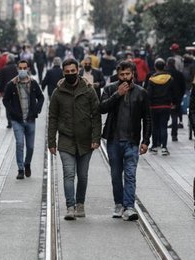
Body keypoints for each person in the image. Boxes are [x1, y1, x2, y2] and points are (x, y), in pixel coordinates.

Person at [48, 58, 101, 220]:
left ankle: (80, 204)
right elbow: (53, 118)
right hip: (66, 140)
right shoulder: (57, 93)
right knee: (69, 174)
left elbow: (96, 115)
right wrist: (51, 142)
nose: (70, 74)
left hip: (85, 140)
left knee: (83, 175)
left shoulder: (88, 90)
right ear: (63, 73)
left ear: (78, 70)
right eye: (67, 72)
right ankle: (70, 206)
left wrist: (96, 137)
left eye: (73, 71)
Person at [100, 61, 151, 221]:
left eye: (127, 74)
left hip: (132, 141)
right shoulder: (109, 89)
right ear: (117, 74)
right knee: (116, 175)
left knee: (130, 175)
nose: (124, 77)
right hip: (114, 140)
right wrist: (118, 94)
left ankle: (129, 206)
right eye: (121, 75)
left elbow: (147, 118)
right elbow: (101, 108)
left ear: (133, 74)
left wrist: (146, 141)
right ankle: (118, 204)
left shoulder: (141, 92)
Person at [3, 59, 44, 179]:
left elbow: (41, 97)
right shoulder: (12, 84)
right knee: (20, 144)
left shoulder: (33, 83)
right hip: (17, 120)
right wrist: (12, 112)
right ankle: (20, 169)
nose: (22, 70)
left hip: (30, 119)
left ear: (28, 69)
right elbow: (5, 100)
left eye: (24, 68)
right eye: (20, 68)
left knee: (30, 147)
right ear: (17, 69)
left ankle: (27, 164)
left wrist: (36, 110)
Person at [147, 58, 176, 156]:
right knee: (163, 126)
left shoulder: (151, 80)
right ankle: (164, 147)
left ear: (155, 67)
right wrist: (174, 103)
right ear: (164, 67)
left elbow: (149, 94)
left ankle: (154, 146)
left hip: (154, 106)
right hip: (166, 105)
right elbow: (173, 92)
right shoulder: (170, 79)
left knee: (155, 127)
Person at [165, 57, 186, 141]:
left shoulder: (165, 74)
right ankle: (174, 135)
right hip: (177, 97)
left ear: (167, 64)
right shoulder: (179, 74)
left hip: (165, 98)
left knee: (164, 118)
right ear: (174, 63)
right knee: (174, 116)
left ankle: (162, 137)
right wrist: (180, 96)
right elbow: (183, 87)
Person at [0, 54, 18, 128]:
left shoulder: (4, 69)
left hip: (6, 91)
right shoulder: (17, 68)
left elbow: (0, 81)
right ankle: (15, 119)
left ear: (8, 60)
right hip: (17, 89)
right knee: (16, 104)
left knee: (8, 106)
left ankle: (10, 122)